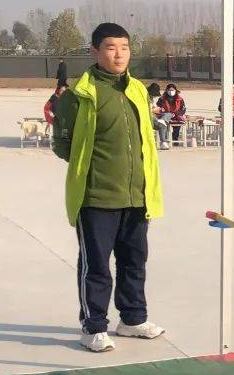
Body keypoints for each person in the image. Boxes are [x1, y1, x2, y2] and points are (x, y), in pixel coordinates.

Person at [52, 22, 166, 353]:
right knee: (97, 265)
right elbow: (62, 144)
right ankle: (93, 326)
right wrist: (92, 169)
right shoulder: (79, 96)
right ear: (95, 52)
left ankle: (132, 319)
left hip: (136, 195)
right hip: (97, 197)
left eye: (125, 48)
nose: (119, 55)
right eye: (111, 48)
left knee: (134, 260)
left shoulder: (138, 91)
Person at [148, 82, 170, 149]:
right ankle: (163, 142)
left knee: (168, 114)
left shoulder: (151, 98)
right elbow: (144, 110)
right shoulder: (144, 98)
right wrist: (153, 110)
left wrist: (158, 109)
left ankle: (162, 121)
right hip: (149, 116)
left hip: (155, 114)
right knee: (163, 125)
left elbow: (154, 106)